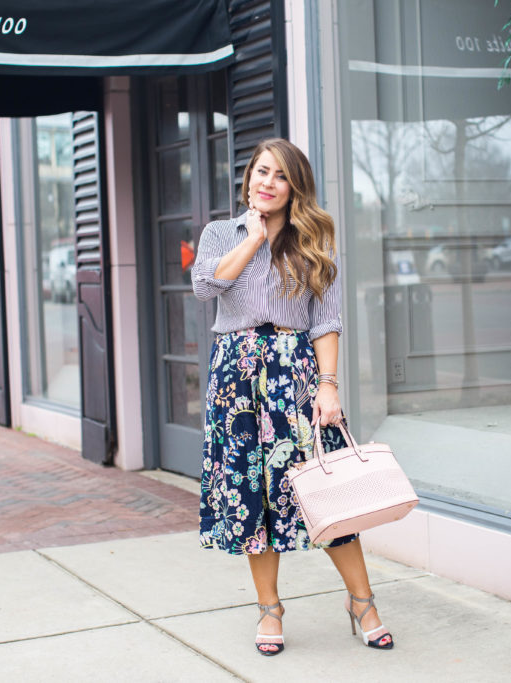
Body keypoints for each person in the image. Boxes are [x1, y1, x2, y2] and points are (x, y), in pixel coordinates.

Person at [191, 138, 394, 656]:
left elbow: (326, 321)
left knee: (324, 493)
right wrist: (253, 240)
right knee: (252, 496)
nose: (267, 183)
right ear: (249, 178)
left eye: (280, 176)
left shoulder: (313, 240)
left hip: (294, 376)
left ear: (293, 186)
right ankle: (269, 610)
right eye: (261, 172)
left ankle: (362, 602)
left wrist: (329, 386)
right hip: (236, 377)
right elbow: (206, 285)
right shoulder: (222, 233)